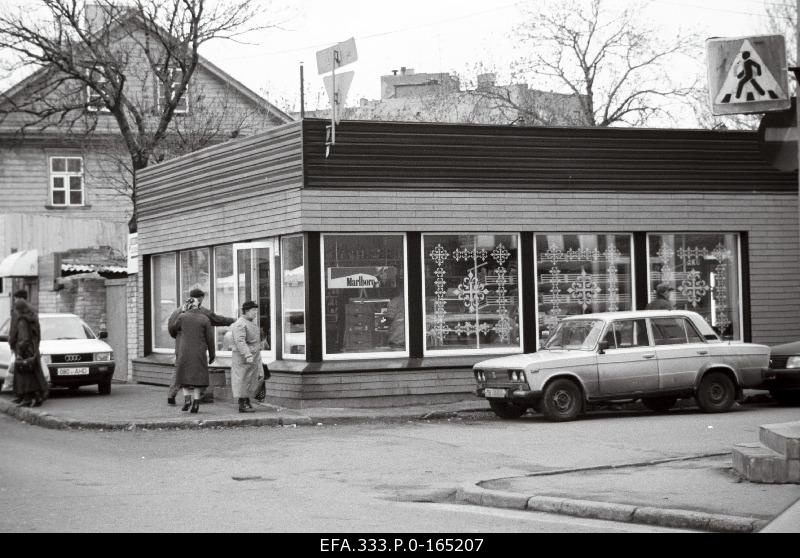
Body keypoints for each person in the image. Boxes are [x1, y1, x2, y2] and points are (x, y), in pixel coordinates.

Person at [166, 287, 235, 406]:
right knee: (199, 371)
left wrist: (179, 337)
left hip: (181, 346)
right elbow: (216, 319)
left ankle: (171, 396)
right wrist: (233, 320)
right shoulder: (201, 311)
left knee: (179, 369)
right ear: (200, 298)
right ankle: (200, 397)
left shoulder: (178, 310)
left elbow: (171, 328)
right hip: (196, 347)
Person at [168, 297, 215, 414]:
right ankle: (196, 403)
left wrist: (181, 312)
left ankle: (187, 401)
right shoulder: (205, 319)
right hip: (199, 352)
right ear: (198, 306)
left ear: (187, 306)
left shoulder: (182, 317)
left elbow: (172, 329)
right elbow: (210, 338)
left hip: (184, 351)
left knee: (183, 376)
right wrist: (212, 354)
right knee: (198, 378)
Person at [9, 293, 48, 407]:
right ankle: (35, 397)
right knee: (33, 375)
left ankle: (27, 398)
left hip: (25, 350)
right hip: (32, 349)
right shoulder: (31, 317)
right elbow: (36, 334)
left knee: (25, 376)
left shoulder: (22, 320)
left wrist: (20, 352)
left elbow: (23, 338)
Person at [230, 301, 263, 413]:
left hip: (252, 356)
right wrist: (247, 354)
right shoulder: (240, 324)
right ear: (247, 311)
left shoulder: (249, 322)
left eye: (256, 311)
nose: (256, 313)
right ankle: (242, 404)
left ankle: (247, 400)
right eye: (253, 311)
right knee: (242, 379)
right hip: (243, 358)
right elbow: (240, 341)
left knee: (250, 379)